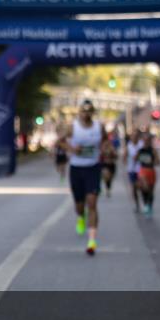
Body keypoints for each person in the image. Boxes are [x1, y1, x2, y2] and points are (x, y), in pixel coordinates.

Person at [59, 100, 106, 255]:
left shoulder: (99, 127)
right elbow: (59, 142)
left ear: (93, 112)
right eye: (83, 111)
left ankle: (92, 241)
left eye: (89, 111)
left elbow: (106, 141)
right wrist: (72, 149)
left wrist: (106, 150)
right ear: (79, 112)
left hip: (93, 168)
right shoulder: (73, 127)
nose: (86, 114)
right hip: (77, 169)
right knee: (79, 204)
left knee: (92, 202)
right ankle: (80, 216)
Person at [135, 130, 160, 217]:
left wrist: (154, 161)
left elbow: (158, 162)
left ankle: (149, 205)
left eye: (148, 140)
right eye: (144, 140)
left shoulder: (153, 151)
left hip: (151, 171)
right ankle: (145, 204)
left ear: (150, 141)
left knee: (150, 191)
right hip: (143, 170)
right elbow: (135, 159)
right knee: (143, 188)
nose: (146, 141)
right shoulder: (140, 150)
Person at [124, 128, 144, 213]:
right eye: (133, 136)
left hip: (141, 169)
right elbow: (125, 156)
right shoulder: (129, 145)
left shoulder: (142, 145)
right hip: (131, 170)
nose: (134, 137)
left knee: (141, 186)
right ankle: (137, 204)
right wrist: (125, 161)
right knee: (134, 188)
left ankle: (144, 201)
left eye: (136, 136)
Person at [100, 133, 118, 198]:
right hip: (105, 164)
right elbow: (100, 155)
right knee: (106, 176)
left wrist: (113, 153)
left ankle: (108, 188)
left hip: (112, 164)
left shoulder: (111, 147)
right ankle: (107, 190)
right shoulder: (102, 147)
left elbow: (116, 156)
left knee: (110, 178)